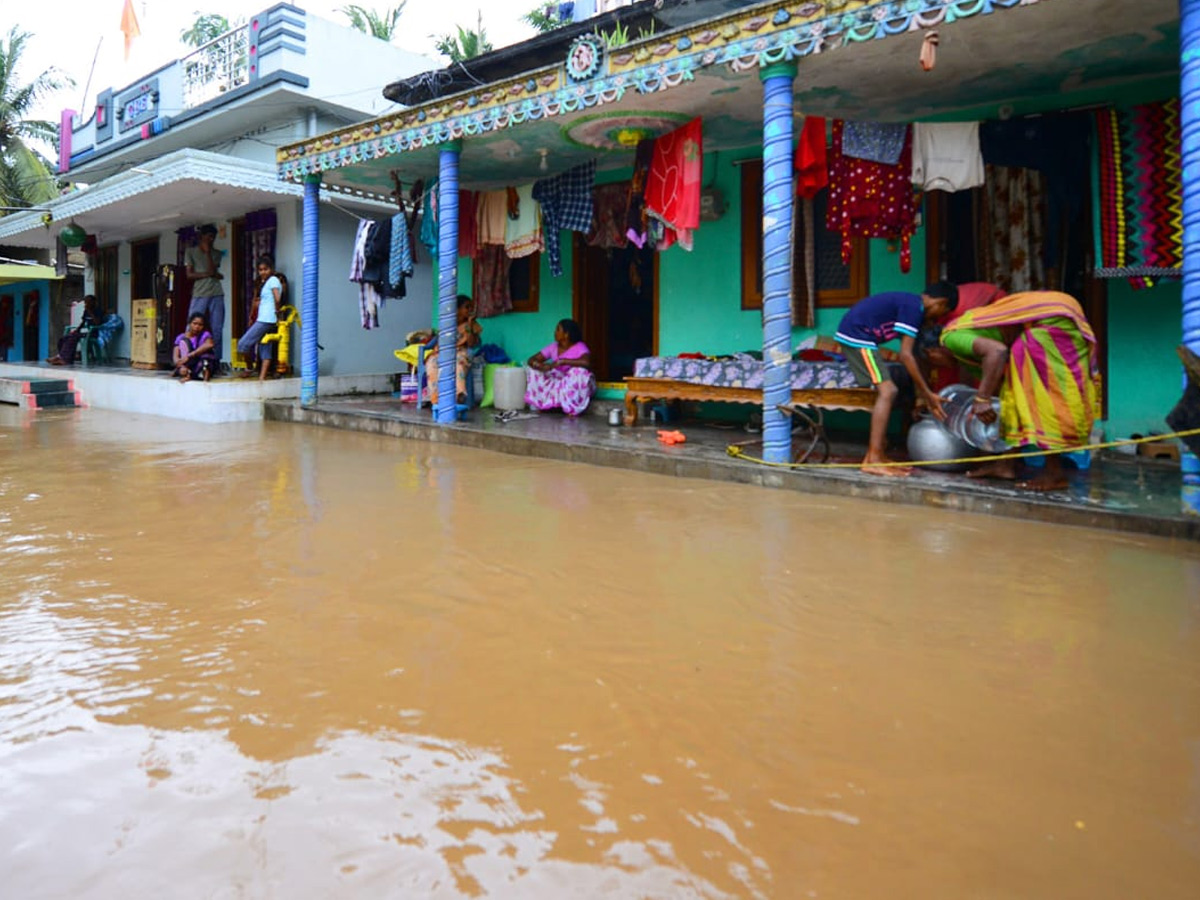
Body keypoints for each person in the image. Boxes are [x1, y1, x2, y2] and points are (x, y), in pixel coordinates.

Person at [940, 290, 1100, 491]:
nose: (938, 367)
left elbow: (997, 352)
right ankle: (1005, 465)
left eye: (933, 362)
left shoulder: (950, 338)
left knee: (1043, 400)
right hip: (1062, 308)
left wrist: (982, 399)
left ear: (933, 352)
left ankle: (1054, 473)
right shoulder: (966, 335)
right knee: (1015, 397)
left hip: (1053, 319)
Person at [836, 282, 959, 476]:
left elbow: (916, 356)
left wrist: (922, 394)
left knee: (889, 390)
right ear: (941, 303)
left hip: (860, 337)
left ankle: (876, 457)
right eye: (941, 313)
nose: (936, 318)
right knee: (889, 390)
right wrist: (928, 394)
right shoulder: (913, 307)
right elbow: (905, 356)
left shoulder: (910, 307)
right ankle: (874, 460)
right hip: (857, 337)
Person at [525, 318, 596, 417]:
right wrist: (540, 365)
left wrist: (564, 361)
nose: (555, 332)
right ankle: (543, 404)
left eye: (558, 329)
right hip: (558, 381)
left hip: (574, 382)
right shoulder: (553, 347)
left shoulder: (579, 346)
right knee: (533, 370)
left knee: (579, 372)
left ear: (566, 334)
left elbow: (587, 362)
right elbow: (531, 359)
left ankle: (572, 407)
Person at [426, 295, 481, 405]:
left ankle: (459, 395)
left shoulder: (473, 325)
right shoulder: (448, 322)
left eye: (471, 307)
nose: (470, 310)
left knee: (458, 362)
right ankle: (436, 399)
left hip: (461, 352)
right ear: (458, 309)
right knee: (432, 363)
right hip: (444, 352)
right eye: (467, 307)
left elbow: (471, 344)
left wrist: (469, 324)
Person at [185, 224, 226, 371]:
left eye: (213, 237)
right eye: (208, 236)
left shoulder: (216, 253)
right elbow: (189, 274)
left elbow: (212, 270)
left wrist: (208, 253)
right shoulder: (190, 252)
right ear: (201, 236)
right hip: (200, 293)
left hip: (216, 293)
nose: (211, 239)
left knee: (217, 328)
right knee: (192, 325)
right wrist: (208, 275)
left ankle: (216, 361)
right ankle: (187, 357)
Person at [236, 254, 280, 381]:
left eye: (265, 269)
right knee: (265, 346)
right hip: (267, 319)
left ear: (271, 269)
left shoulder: (273, 280)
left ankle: (249, 368)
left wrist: (277, 311)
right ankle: (262, 378)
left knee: (243, 344)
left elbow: (277, 298)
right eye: (260, 270)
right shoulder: (265, 282)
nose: (263, 272)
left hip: (266, 319)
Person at [47, 294, 98, 365]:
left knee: (72, 338)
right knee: (64, 338)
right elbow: (83, 322)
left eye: (88, 302)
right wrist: (77, 330)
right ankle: (62, 357)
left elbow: (98, 323)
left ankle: (63, 359)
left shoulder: (98, 311)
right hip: (86, 332)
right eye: (85, 302)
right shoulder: (86, 312)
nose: (86, 304)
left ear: (93, 302)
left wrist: (90, 312)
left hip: (94, 333)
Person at [172, 313, 217, 382]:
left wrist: (190, 355)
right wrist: (180, 364)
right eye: (194, 323)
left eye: (200, 325)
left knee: (206, 358)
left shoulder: (205, 335)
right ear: (189, 324)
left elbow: (210, 344)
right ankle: (187, 373)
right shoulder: (181, 337)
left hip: (199, 362)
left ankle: (197, 375)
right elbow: (176, 356)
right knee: (183, 370)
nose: (197, 327)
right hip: (187, 364)